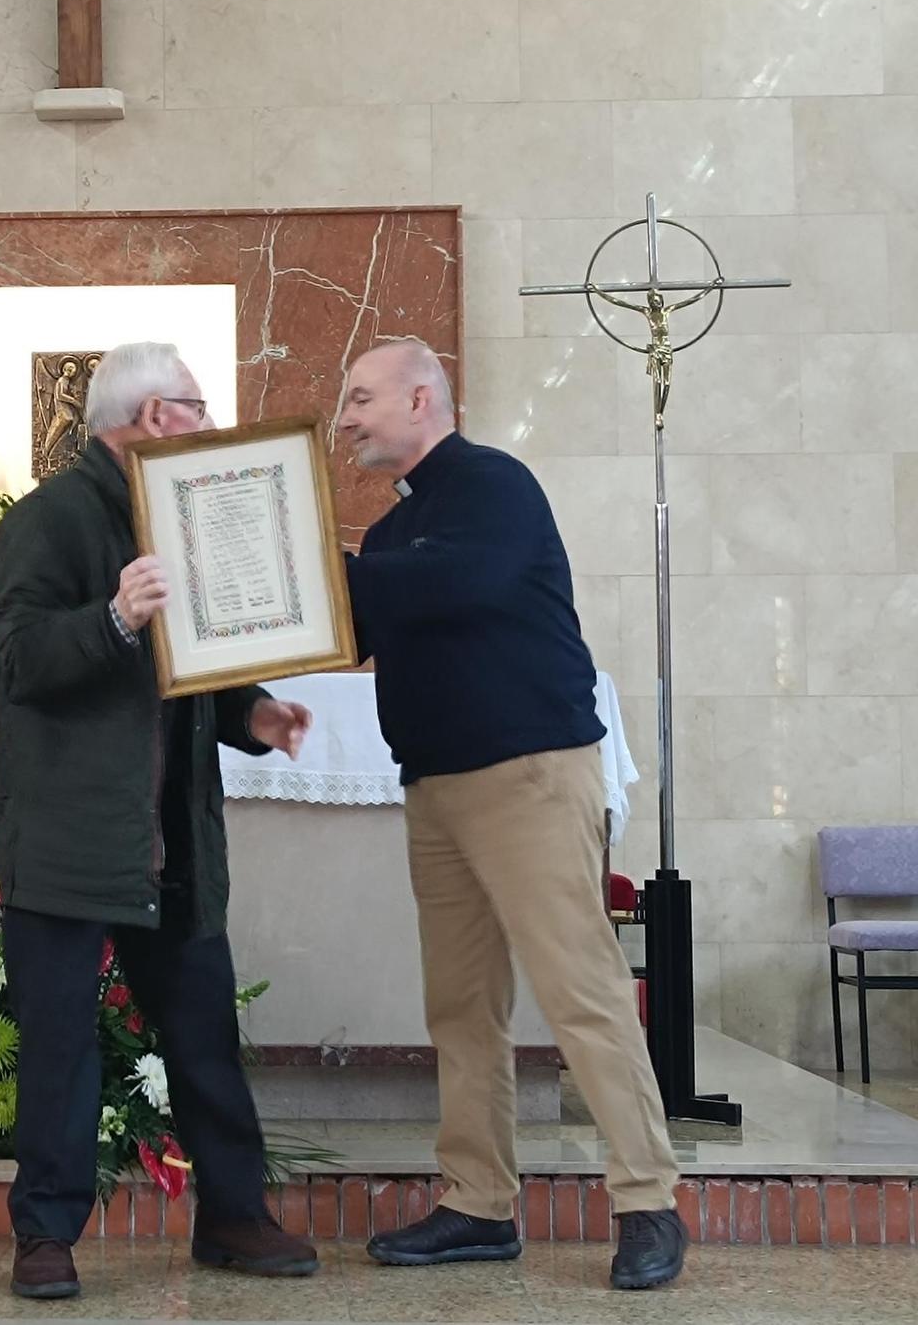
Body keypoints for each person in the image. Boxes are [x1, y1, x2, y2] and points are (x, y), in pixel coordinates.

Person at [334, 339, 685, 1291]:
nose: (346, 416)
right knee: (461, 1006)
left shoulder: (492, 484)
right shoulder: (395, 532)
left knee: (582, 991)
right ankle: (478, 1203)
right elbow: (351, 626)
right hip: (438, 787)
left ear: (421, 397)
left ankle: (648, 1200)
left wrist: (318, 565)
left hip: (527, 775)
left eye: (361, 398)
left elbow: (461, 584)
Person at [0, 341, 320, 1301]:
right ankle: (45, 1236)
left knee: (204, 1035)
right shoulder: (46, 520)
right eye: (196, 406)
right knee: (60, 1046)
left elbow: (193, 667)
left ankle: (231, 1214)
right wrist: (114, 618)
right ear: (147, 418)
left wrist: (252, 714)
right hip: (71, 837)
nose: (210, 424)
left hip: (170, 836)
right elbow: (18, 663)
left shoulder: (189, 516)